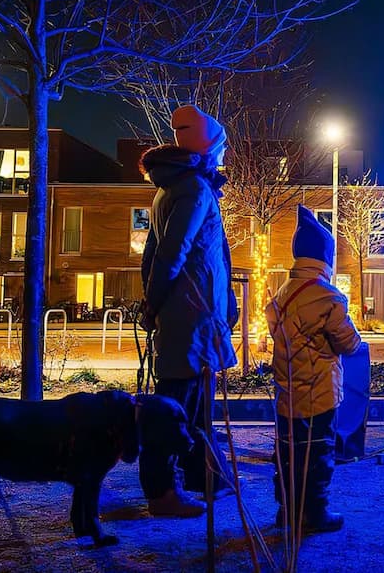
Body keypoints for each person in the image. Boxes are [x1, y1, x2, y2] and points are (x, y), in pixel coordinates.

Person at [139, 104, 236, 519]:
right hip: (191, 318)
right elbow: (171, 255)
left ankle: (205, 476)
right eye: (221, 149)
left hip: (190, 316)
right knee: (175, 408)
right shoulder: (194, 190)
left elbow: (152, 255)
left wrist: (154, 302)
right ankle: (162, 491)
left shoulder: (171, 189)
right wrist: (155, 305)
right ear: (209, 150)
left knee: (192, 405)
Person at [267, 205, 361, 535]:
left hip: (287, 394)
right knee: (319, 450)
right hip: (319, 394)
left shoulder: (280, 295)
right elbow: (348, 343)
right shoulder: (329, 297)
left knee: (287, 452)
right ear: (326, 258)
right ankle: (315, 511)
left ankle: (287, 510)